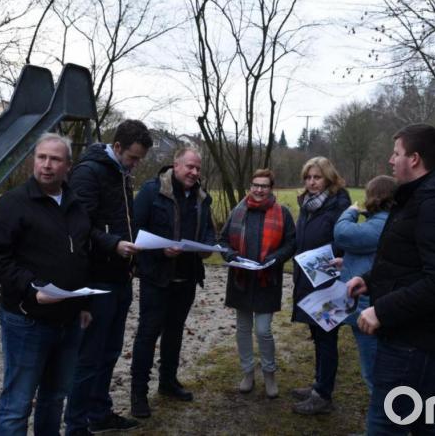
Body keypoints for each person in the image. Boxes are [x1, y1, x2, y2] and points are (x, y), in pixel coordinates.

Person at [347, 124, 435, 435]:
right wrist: (370, 280)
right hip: (413, 334)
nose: (391, 160)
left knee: (385, 424)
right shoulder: (417, 198)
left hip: (415, 341)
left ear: (414, 159)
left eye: (396, 153)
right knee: (422, 421)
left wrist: (382, 310)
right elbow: (408, 261)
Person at [0, 134, 93, 436]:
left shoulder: (76, 205)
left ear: (68, 166)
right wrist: (31, 288)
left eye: (55, 159)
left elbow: (82, 255)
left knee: (55, 398)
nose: (47, 165)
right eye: (41, 157)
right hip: (26, 320)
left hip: (69, 320)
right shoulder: (13, 202)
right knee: (16, 405)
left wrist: (84, 304)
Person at [64, 120, 153, 435]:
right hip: (97, 279)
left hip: (120, 276)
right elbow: (79, 227)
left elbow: (121, 221)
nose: (135, 164)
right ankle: (76, 425)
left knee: (110, 352)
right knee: (89, 357)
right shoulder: (88, 174)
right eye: (133, 157)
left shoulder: (121, 173)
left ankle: (99, 413)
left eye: (139, 159)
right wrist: (113, 243)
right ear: (117, 147)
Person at [129, 147, 216, 418]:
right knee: (147, 334)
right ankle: (138, 394)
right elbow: (134, 230)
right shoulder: (151, 191)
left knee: (175, 332)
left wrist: (207, 247)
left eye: (198, 168)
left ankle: (167, 382)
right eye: (189, 166)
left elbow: (208, 231)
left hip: (187, 277)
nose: (194, 172)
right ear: (175, 165)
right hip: (157, 277)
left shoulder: (202, 197)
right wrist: (160, 251)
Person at [218, 169, 296, 399]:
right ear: (250, 186)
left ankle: (269, 373)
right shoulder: (238, 210)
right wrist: (230, 255)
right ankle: (248, 372)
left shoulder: (282, 213)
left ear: (271, 188)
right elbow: (223, 240)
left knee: (263, 330)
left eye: (264, 186)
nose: (259, 190)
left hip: (267, 280)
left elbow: (291, 243)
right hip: (241, 280)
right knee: (243, 329)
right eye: (256, 185)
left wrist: (276, 258)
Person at [290, 156, 351, 415]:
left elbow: (344, 241)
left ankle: (323, 395)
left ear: (328, 178)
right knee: (316, 335)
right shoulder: (307, 204)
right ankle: (318, 384)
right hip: (307, 276)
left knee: (327, 338)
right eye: (308, 177)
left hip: (328, 280)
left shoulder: (340, 204)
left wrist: (325, 258)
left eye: (317, 177)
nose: (312, 182)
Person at [332, 175, 396, 394]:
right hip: (370, 301)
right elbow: (372, 256)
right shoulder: (382, 221)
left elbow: (342, 234)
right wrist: (346, 262)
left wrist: (350, 211)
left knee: (374, 371)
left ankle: (384, 413)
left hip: (368, 305)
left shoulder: (380, 223)